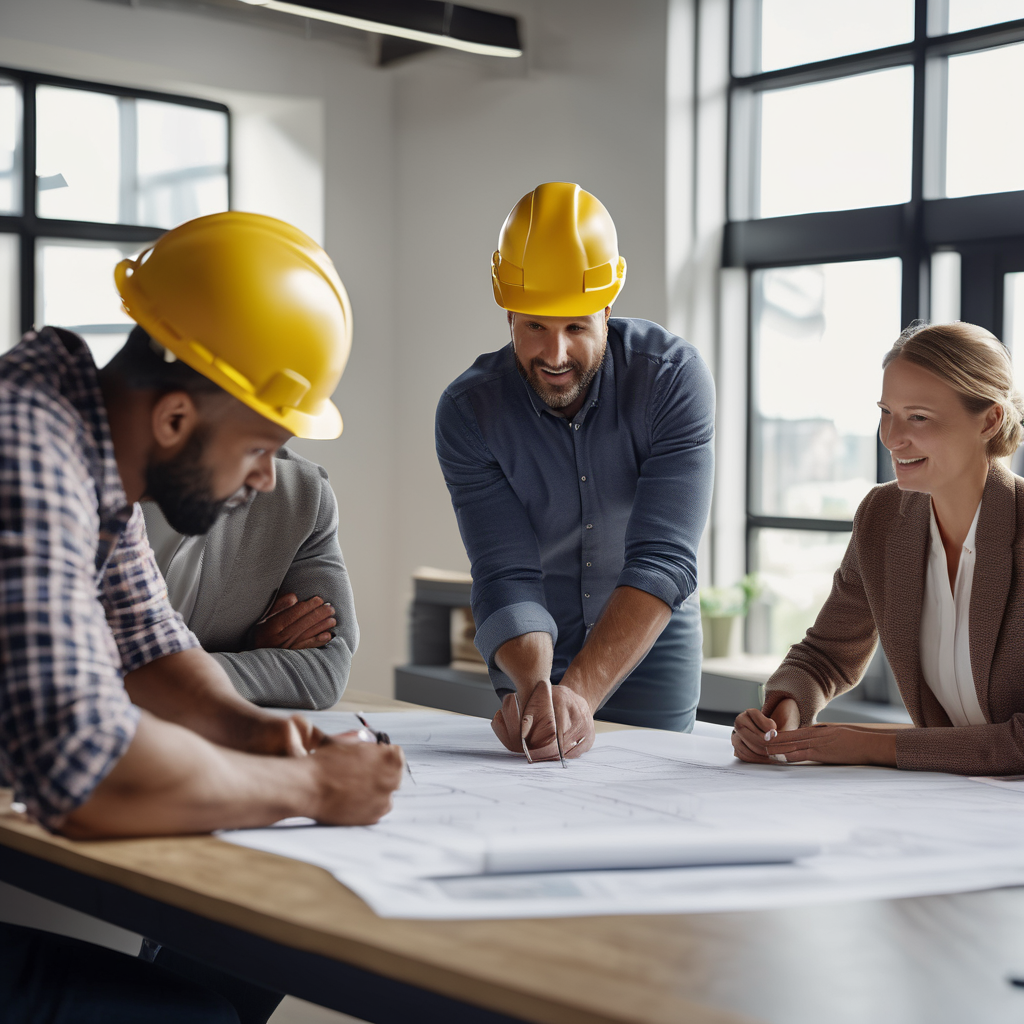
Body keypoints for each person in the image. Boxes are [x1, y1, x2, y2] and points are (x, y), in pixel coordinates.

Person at [0, 211, 404, 1023]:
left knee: (219, 985)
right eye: (258, 449)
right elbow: (89, 776)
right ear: (177, 419)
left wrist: (259, 734)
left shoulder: (84, 434)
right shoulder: (28, 452)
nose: (264, 480)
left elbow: (151, 650)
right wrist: (311, 787)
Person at [435, 182, 715, 761]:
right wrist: (540, 691)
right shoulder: (469, 412)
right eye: (535, 326)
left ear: (608, 310)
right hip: (530, 642)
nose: (555, 354)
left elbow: (664, 558)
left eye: (577, 328)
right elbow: (504, 570)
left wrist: (580, 693)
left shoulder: (671, 379)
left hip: (647, 642)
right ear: (509, 309)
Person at [733, 320, 1024, 774]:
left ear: (989, 420)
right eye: (886, 412)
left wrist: (870, 745)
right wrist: (786, 709)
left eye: (919, 417)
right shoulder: (883, 517)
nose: (891, 437)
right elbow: (827, 654)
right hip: (953, 801)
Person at [142, 445, 358, 710]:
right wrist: (246, 656)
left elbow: (326, 671)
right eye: (255, 446)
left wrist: (162, 678)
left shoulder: (302, 493)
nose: (268, 476)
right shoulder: (99, 490)